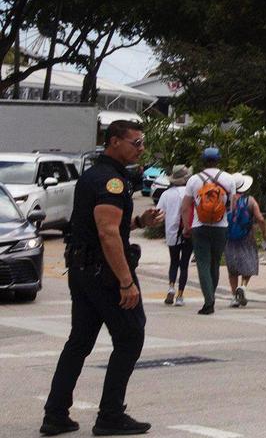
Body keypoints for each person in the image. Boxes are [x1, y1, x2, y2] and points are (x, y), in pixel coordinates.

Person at [42, 120, 162, 437]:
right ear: (114, 142)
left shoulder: (94, 176)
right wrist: (126, 281)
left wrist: (138, 220)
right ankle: (110, 414)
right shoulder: (112, 182)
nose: (141, 148)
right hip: (104, 274)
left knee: (79, 341)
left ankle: (55, 414)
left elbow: (108, 227)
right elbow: (108, 234)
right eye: (135, 142)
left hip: (82, 271)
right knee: (131, 336)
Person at [181, 147, 236, 316]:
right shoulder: (229, 179)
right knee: (215, 263)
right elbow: (232, 207)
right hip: (221, 227)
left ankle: (208, 301)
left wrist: (186, 226)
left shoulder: (194, 180)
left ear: (202, 161)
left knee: (203, 263)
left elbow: (185, 207)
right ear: (219, 160)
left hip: (200, 226)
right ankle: (211, 297)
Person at [224, 174, 266, 308]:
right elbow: (260, 218)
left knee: (232, 268)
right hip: (247, 237)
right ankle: (243, 286)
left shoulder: (226, 200)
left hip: (229, 237)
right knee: (249, 263)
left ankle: (233, 297)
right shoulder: (250, 200)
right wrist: (264, 233)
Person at [156, 165, 192, 307]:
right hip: (188, 231)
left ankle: (171, 287)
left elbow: (159, 213)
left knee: (174, 262)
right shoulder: (190, 193)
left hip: (171, 232)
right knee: (184, 265)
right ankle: (180, 295)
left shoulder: (166, 194)